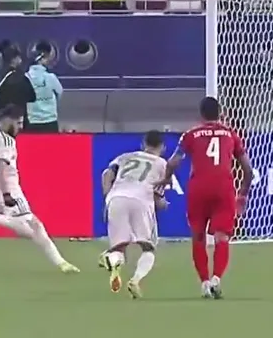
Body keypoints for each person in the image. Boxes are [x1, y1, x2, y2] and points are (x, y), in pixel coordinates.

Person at [0, 105, 79, 273]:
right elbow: (1, 167)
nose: (20, 127)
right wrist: (7, 193)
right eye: (18, 123)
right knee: (33, 226)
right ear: (7, 120)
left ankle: (62, 264)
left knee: (31, 228)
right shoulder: (7, 141)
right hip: (8, 189)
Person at [166, 97, 252, 299]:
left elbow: (173, 162)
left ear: (201, 114)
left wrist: (165, 180)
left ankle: (204, 282)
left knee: (198, 236)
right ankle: (216, 278)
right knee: (222, 237)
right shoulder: (231, 134)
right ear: (219, 113)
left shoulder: (191, 134)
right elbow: (247, 169)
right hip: (223, 188)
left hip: (198, 188)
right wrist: (242, 194)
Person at [99, 130, 170, 298]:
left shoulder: (125, 157)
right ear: (163, 147)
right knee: (148, 248)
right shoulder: (162, 164)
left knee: (119, 247)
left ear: (143, 144)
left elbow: (106, 174)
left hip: (116, 198)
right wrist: (162, 204)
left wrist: (108, 196)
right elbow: (157, 195)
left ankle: (113, 260)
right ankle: (135, 280)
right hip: (141, 200)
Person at [24, 43, 63, 133]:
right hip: (50, 120)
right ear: (40, 60)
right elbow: (59, 93)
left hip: (32, 121)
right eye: (45, 58)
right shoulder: (51, 77)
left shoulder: (25, 77)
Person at [0, 46, 35, 124]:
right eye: (18, 57)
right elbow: (32, 97)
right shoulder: (21, 77)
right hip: (19, 120)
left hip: (2, 120)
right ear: (13, 59)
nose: (20, 60)